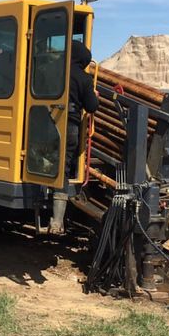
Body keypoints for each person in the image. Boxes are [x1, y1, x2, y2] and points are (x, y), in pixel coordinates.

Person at [49, 40, 98, 234]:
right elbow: (92, 106)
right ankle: (57, 221)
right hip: (70, 125)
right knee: (64, 167)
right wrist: (95, 95)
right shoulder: (84, 78)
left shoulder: (52, 71)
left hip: (46, 123)